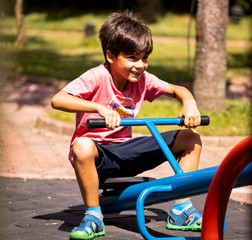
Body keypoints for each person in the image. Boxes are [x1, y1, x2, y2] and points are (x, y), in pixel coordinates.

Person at [51, 10, 203, 240]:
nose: (141, 65)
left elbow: (176, 89)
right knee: (81, 145)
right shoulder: (96, 76)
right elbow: (57, 99)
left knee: (190, 138)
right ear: (111, 56)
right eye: (133, 58)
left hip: (125, 151)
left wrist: (189, 103)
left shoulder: (143, 79)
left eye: (144, 58)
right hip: (97, 155)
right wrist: (99, 108)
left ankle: (181, 210)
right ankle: (93, 216)